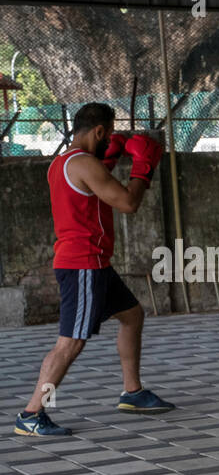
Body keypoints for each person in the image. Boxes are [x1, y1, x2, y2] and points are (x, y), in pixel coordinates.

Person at [16, 102, 172, 437]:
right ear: (99, 131)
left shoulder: (62, 163)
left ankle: (132, 392)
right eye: (110, 134)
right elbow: (128, 202)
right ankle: (33, 412)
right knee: (69, 343)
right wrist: (143, 168)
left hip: (92, 264)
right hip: (83, 265)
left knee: (132, 315)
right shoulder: (86, 164)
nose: (111, 139)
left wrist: (113, 159)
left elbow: (94, 192)